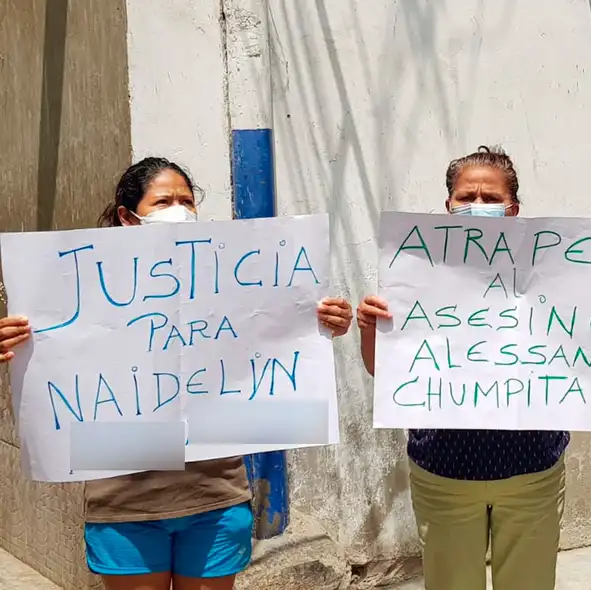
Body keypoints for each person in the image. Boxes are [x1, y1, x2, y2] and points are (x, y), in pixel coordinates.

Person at [0, 157, 354, 590]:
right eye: (164, 201)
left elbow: (277, 330)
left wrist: (319, 322)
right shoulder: (80, 291)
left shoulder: (236, 280)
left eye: (187, 201)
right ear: (129, 217)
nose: (179, 209)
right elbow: (53, 382)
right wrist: (17, 345)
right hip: (126, 504)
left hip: (216, 495)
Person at [357, 146, 591, 590]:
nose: (477, 206)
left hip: (532, 471)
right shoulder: (415, 273)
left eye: (490, 197)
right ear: (448, 205)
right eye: (467, 196)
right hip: (444, 471)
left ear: (514, 208)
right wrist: (369, 328)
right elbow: (383, 372)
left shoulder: (559, 270)